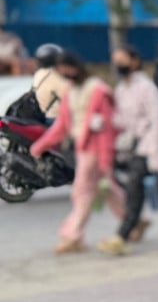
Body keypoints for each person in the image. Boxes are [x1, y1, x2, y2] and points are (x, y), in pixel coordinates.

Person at [99, 45, 158, 255]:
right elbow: (123, 121)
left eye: (122, 60)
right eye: (115, 60)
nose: (118, 65)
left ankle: (121, 236)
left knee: (135, 189)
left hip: (149, 145)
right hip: (134, 146)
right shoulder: (121, 89)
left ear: (134, 61)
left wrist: (156, 155)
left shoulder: (146, 87)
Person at [29, 51, 124, 254]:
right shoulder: (71, 90)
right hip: (83, 148)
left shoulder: (97, 90)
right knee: (107, 189)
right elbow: (62, 125)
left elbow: (106, 129)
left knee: (81, 192)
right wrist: (41, 145)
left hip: (95, 150)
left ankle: (72, 236)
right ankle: (132, 220)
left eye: (65, 69)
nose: (64, 74)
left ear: (75, 67)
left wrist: (106, 159)